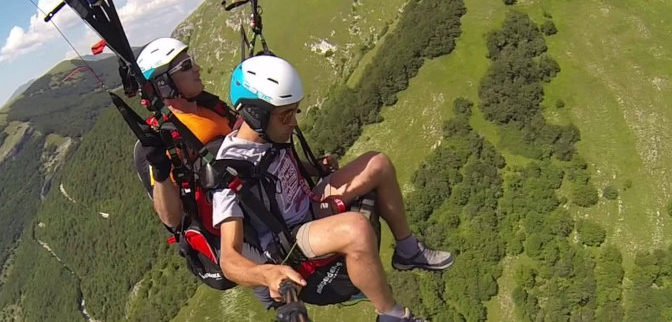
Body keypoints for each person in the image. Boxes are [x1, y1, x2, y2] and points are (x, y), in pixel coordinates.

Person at [213, 55, 454, 322]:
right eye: (286, 115)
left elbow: (276, 169)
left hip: (309, 206)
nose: (293, 123)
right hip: (291, 239)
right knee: (356, 229)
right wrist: (267, 274)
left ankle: (408, 250)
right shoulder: (230, 171)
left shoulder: (269, 134)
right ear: (256, 115)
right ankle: (392, 314)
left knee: (378, 164)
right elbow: (229, 260)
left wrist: (315, 168)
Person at [133, 37, 235, 229]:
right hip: (225, 229)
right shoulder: (163, 138)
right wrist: (161, 170)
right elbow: (170, 218)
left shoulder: (212, 106)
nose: (197, 68)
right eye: (186, 66)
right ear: (163, 83)